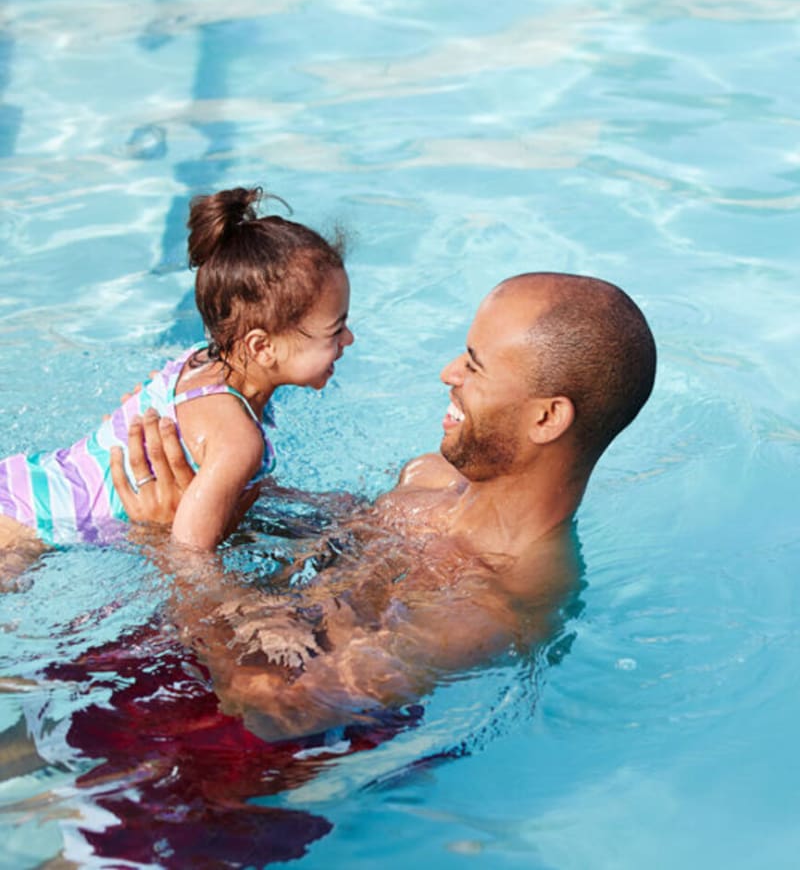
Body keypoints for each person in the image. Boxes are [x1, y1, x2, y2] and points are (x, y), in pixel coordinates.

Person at [114, 271, 656, 741]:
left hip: (223, 762)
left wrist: (167, 546)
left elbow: (276, 710)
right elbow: (316, 535)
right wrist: (210, 488)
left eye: (475, 364)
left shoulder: (489, 608)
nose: (449, 373)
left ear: (547, 419)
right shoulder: (430, 476)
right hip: (191, 646)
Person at [0, 186, 354, 559]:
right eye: (335, 330)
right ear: (261, 347)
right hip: (22, 529)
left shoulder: (201, 363)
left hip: (23, 481)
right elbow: (188, 556)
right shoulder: (238, 441)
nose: (349, 338)